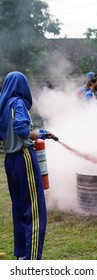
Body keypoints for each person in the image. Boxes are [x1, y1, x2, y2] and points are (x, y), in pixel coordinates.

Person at [0, 71, 56, 260]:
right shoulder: (18, 102)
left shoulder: (4, 105)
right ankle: (31, 262)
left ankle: (22, 256)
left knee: (20, 209)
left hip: (10, 160)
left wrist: (43, 134)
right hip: (24, 158)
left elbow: (11, 132)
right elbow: (22, 129)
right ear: (22, 85)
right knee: (34, 212)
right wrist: (33, 135)